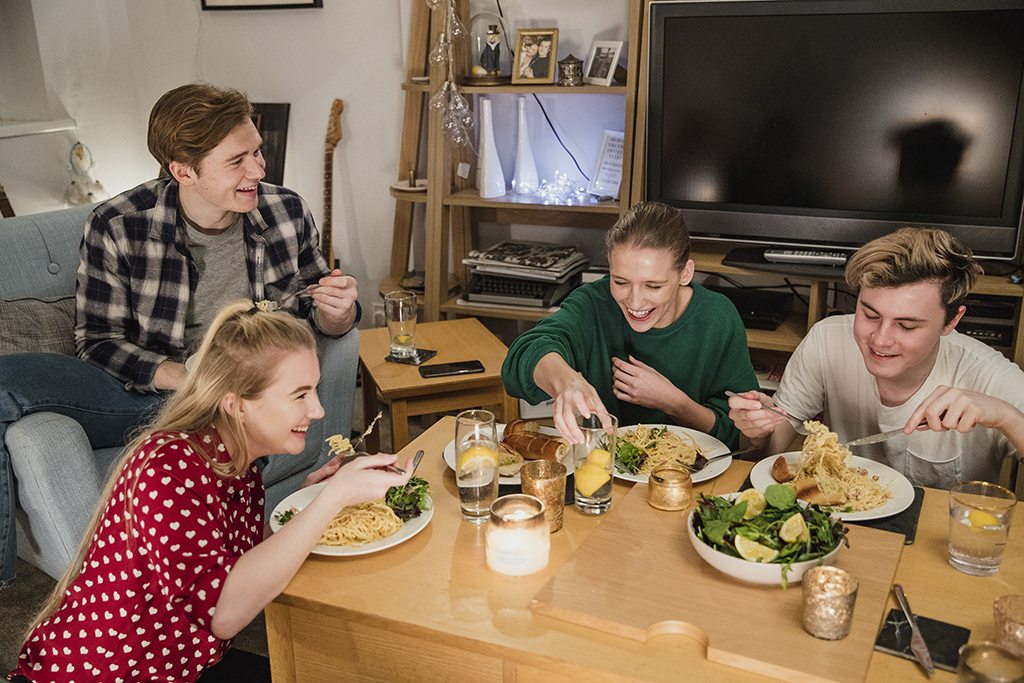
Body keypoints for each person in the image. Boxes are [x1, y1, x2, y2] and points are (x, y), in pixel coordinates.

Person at [0, 83, 359, 586]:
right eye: (238, 161)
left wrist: (339, 314)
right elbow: (98, 342)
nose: (258, 170)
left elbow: (317, 314)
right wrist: (187, 375)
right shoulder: (119, 224)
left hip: (249, 394)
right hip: (158, 394)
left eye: (257, 152)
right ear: (183, 171)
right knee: (5, 384)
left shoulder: (285, 212)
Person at [7, 301, 412, 683]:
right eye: (300, 395)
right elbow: (225, 611)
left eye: (315, 390)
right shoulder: (167, 468)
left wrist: (308, 501)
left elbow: (234, 568)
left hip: (181, 665)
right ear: (237, 405)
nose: (318, 410)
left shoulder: (234, 461)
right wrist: (330, 500)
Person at [728, 228, 1024, 489]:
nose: (880, 340)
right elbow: (763, 457)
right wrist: (756, 431)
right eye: (869, 315)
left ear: (951, 321)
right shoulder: (826, 339)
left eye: (907, 325)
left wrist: (1007, 417)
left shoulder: (991, 377)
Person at [502, 201, 759, 446]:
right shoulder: (595, 302)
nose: (635, 302)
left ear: (685, 274)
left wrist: (673, 402)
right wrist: (567, 383)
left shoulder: (718, 317)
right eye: (621, 282)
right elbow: (523, 355)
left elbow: (742, 438)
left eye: (653, 286)